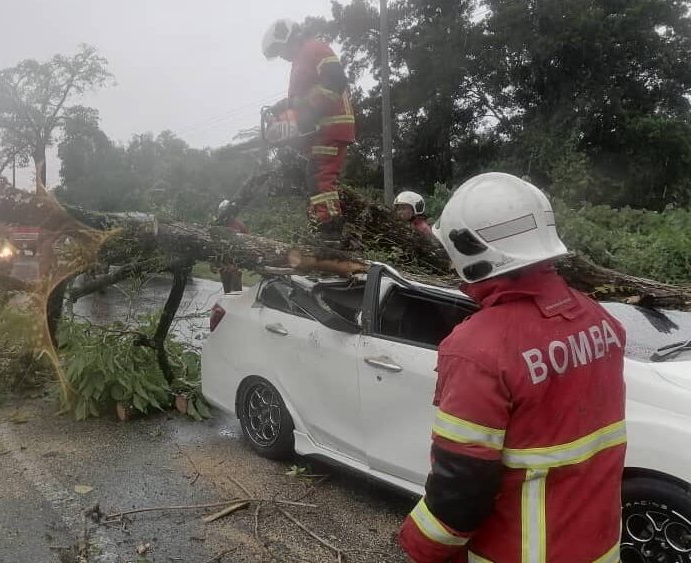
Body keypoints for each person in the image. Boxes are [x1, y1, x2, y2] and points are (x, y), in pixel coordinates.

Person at [399, 173, 627, 562]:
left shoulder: (478, 350)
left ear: (468, 251)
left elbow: (461, 491)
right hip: (600, 549)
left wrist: (415, 545)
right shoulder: (599, 319)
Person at [262, 19, 356, 247]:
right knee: (315, 177)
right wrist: (284, 106)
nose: (282, 55)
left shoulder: (314, 48)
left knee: (320, 178)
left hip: (331, 127)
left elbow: (335, 81)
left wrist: (307, 112)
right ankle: (326, 230)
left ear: (288, 37)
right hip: (322, 129)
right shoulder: (301, 59)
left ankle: (332, 235)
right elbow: (302, 97)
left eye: (280, 49)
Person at [214, 200, 247, 293]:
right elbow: (215, 246)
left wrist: (239, 266)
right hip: (223, 267)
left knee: (235, 294)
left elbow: (247, 248)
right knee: (227, 293)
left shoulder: (240, 226)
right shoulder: (219, 226)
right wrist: (216, 264)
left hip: (235, 266)